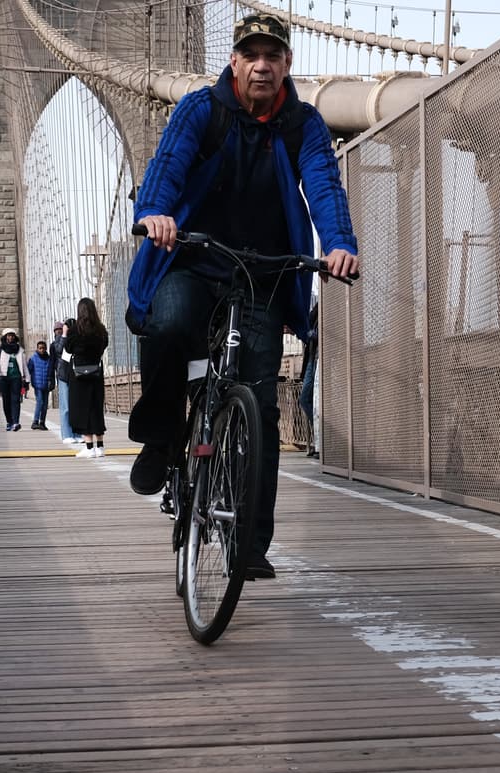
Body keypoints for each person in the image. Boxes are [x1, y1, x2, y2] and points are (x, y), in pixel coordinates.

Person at [125, 12, 359, 580]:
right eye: (250, 55)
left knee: (261, 406)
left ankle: (249, 542)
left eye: (272, 56)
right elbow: (168, 165)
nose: (261, 66)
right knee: (169, 323)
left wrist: (339, 243)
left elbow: (323, 184)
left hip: (262, 275)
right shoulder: (200, 110)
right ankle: (161, 439)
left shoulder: (303, 123)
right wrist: (154, 213)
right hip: (195, 260)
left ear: (287, 65)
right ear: (234, 62)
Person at [65, 298, 109, 458]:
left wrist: (66, 333)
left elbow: (68, 349)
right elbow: (104, 346)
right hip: (96, 373)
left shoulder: (74, 330)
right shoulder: (101, 330)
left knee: (81, 409)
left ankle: (89, 447)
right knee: (96, 407)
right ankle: (100, 447)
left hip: (79, 376)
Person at [0, 328, 29, 431]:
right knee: (6, 401)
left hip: (16, 377)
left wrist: (27, 379)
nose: (11, 337)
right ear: (5, 337)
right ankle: (9, 421)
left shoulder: (20, 350)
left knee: (16, 400)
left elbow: (24, 365)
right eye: (9, 335)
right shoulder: (0, 349)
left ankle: (16, 422)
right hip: (4, 377)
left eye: (12, 335)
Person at [50, 320, 82, 443]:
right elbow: (58, 350)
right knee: (66, 406)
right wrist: (64, 335)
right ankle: (67, 435)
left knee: (76, 406)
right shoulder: (58, 340)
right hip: (63, 375)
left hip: (76, 374)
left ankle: (77, 433)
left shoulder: (77, 339)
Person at [298, 297, 319, 458]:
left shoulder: (333, 305)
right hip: (313, 357)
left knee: (311, 399)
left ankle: (321, 442)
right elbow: (308, 319)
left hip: (320, 357)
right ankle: (320, 439)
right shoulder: (319, 307)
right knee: (305, 399)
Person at [26, 340, 55, 430]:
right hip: (37, 385)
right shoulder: (33, 359)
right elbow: (28, 370)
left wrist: (51, 382)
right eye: (40, 348)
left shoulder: (49, 359)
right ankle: (35, 421)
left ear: (46, 349)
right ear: (37, 349)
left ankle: (42, 422)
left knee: (45, 404)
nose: (42, 350)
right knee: (40, 402)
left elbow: (51, 372)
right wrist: (27, 381)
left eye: (43, 348)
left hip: (46, 385)